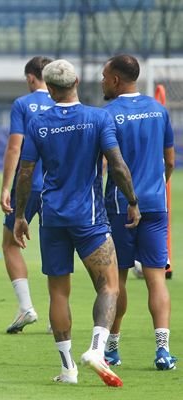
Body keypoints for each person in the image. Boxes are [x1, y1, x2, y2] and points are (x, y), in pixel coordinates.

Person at [14, 59, 139, 387]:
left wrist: (19, 216)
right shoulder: (98, 118)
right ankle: (97, 349)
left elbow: (25, 173)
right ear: (77, 82)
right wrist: (133, 202)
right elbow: (117, 165)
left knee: (58, 292)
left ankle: (68, 369)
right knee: (109, 284)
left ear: (50, 89)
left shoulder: (38, 122)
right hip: (89, 217)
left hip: (52, 217)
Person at [100, 54, 177, 370]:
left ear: (116, 79)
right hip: (156, 205)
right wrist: (156, 188)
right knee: (156, 278)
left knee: (116, 280)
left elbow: (105, 164)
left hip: (121, 207)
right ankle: (162, 351)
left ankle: (113, 349)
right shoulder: (159, 111)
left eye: (105, 76)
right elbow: (170, 160)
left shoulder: (108, 114)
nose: (102, 81)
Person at [0, 56, 54, 334]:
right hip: (58, 187)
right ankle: (55, 316)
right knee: (56, 247)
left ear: (32, 78)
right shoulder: (64, 101)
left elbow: (14, 147)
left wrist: (6, 187)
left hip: (29, 184)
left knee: (10, 243)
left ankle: (26, 308)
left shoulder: (23, 105)